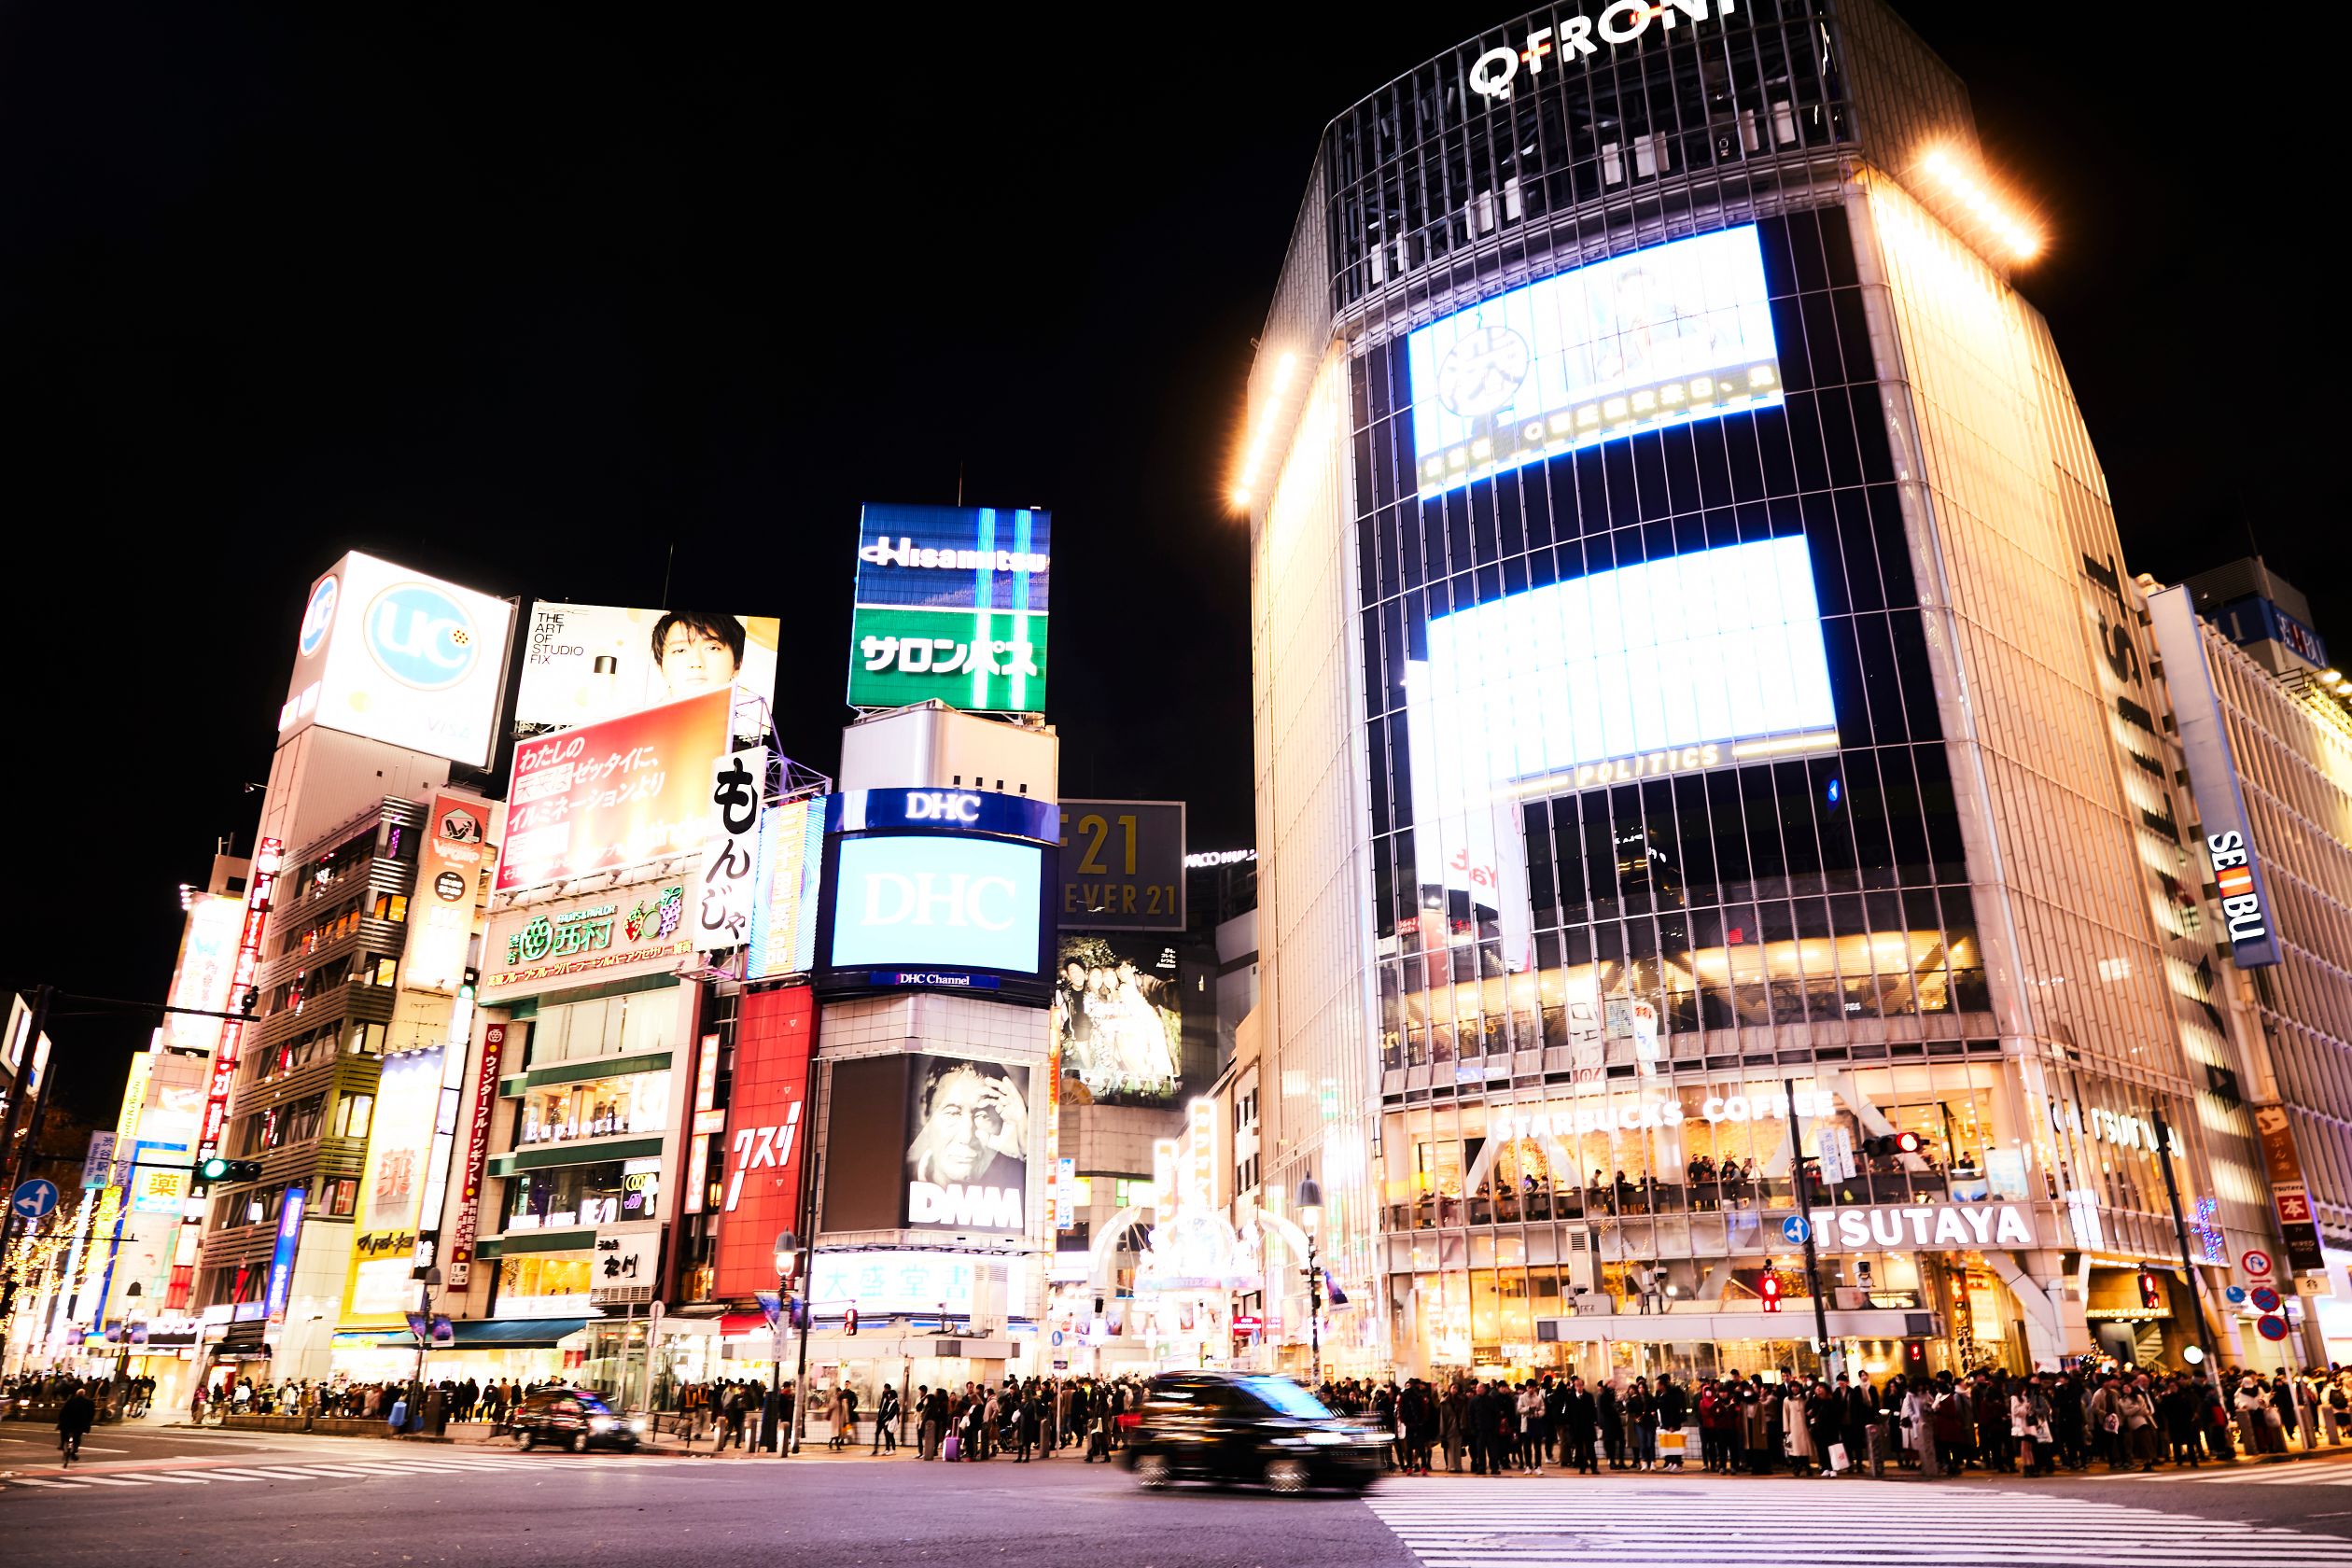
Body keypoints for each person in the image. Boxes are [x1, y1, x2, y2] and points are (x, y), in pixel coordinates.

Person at [906, 1057, 1029, 1202]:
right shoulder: (898, 1181)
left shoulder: (1021, 1181)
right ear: (925, 1113)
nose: (966, 1137)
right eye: (952, 1113)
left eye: (983, 1115)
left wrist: (1026, 1151)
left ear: (1003, 1123)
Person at [651, 610, 747, 701]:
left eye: (712, 648)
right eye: (680, 650)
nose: (696, 663)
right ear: (660, 665)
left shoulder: (754, 716)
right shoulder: (639, 718)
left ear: (737, 663)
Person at [57, 1385, 96, 1464]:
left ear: (76, 1394)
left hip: (68, 1423)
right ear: (84, 1394)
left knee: (64, 1433)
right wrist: (88, 1422)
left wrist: (60, 1421)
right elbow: (91, 1414)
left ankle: (62, 1445)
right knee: (77, 1437)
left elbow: (63, 1412)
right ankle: (74, 1450)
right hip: (80, 1424)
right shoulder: (89, 1402)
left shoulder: (70, 1401)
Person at [874, 1383, 901, 1454]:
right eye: (884, 1389)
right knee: (877, 1433)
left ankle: (889, 1449)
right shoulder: (883, 1396)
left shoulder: (892, 1399)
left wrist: (886, 1419)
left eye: (886, 1389)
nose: (885, 1390)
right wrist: (878, 1417)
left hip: (887, 1419)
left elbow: (890, 1411)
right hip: (881, 1419)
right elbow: (881, 1408)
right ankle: (876, 1449)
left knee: (888, 1434)